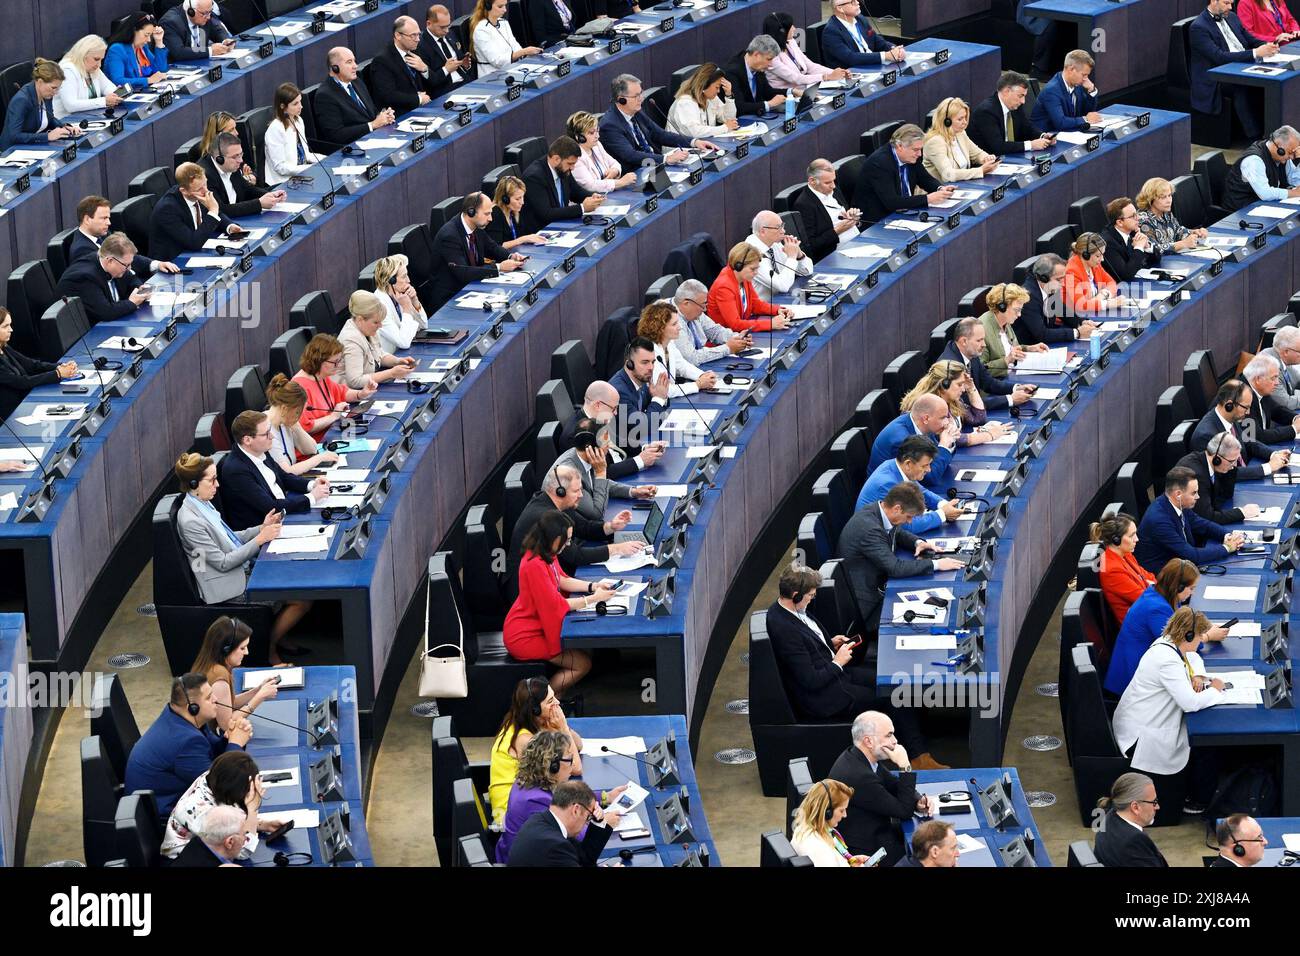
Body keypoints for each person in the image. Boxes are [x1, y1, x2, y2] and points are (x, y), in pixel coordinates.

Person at [765, 565, 934, 761]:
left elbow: (806, 648)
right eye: (810, 595)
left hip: (836, 676)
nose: (812, 598)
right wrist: (837, 662)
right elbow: (810, 680)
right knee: (893, 695)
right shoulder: (784, 628)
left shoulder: (793, 610)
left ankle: (917, 738)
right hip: (826, 696)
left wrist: (829, 643)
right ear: (795, 595)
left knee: (895, 681)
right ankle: (919, 757)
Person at [174, 452, 315, 663]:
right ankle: (270, 647)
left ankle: (278, 637)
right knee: (301, 600)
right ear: (194, 483)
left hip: (239, 569)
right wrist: (260, 540)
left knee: (294, 579)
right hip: (227, 586)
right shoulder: (191, 521)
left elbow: (230, 538)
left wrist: (262, 528)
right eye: (212, 480)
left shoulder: (203, 504)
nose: (218, 485)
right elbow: (223, 562)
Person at [1113, 607, 1223, 822]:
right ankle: (1198, 800)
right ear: (1189, 635)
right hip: (1143, 738)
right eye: (1200, 637)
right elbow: (1190, 703)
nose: (1201, 642)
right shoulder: (1167, 660)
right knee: (1208, 749)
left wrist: (1199, 676)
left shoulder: (1166, 643)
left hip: (1141, 722)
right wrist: (1215, 691)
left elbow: (1191, 656)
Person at [837, 483, 966, 634]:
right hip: (866, 604)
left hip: (876, 583)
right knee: (923, 626)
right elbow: (895, 568)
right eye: (909, 517)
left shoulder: (879, 509)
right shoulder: (869, 529)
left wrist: (917, 542)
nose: (910, 521)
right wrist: (936, 564)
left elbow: (896, 532)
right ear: (897, 508)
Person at [123, 673, 252, 816]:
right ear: (193, 708)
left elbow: (213, 751)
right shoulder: (186, 742)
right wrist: (236, 745)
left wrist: (230, 738)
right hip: (161, 821)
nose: (216, 699)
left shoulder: (180, 719)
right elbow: (222, 788)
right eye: (209, 697)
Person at [496, 731, 626, 863]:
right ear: (554, 765)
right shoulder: (536, 800)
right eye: (570, 760)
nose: (574, 765)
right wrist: (604, 822)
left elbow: (569, 797)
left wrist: (605, 797)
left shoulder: (529, 780)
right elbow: (576, 835)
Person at [505, 464, 638, 591]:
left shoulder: (558, 504)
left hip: (549, 577)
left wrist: (611, 526)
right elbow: (576, 556)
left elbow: (584, 527)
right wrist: (617, 549)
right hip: (526, 589)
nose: (581, 495)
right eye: (576, 490)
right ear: (560, 492)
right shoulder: (546, 517)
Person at [828, 711, 937, 864]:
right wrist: (905, 766)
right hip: (869, 852)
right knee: (930, 857)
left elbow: (893, 784)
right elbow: (903, 812)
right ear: (868, 741)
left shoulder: (859, 756)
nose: (895, 740)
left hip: (878, 833)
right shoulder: (859, 776)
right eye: (888, 735)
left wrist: (918, 800)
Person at [1107, 558, 1225, 696]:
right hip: (1132, 683)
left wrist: (1203, 627)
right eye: (1191, 588)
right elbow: (1181, 644)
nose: (1192, 593)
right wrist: (1208, 636)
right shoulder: (1156, 608)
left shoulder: (1161, 594)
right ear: (1178, 587)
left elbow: (1184, 625)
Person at [488, 676, 583, 822]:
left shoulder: (527, 721)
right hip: (510, 814)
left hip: (526, 800)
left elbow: (578, 745)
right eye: (551, 701)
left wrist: (561, 727)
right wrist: (562, 727)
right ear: (535, 709)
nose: (557, 703)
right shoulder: (524, 739)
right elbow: (574, 768)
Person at [217, 410, 331, 531]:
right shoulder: (236, 470)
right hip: (266, 530)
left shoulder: (259, 449)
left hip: (284, 513)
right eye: (266, 434)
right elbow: (270, 507)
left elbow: (283, 476)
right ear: (247, 440)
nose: (271, 436)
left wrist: (312, 485)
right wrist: (311, 498)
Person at [163, 751, 276, 861]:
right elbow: (241, 852)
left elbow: (230, 821)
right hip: (183, 860)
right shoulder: (201, 811)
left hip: (200, 850)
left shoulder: (213, 777)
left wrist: (261, 824)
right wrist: (252, 809)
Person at [1190, 0, 1278, 140]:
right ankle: (1254, 138)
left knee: (1269, 83)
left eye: (1231, 3)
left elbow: (1251, 40)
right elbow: (1219, 57)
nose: (1230, 7)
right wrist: (1256, 53)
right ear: (1213, 1)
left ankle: (1271, 129)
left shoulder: (1232, 17)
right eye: (1226, 3)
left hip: (1242, 67)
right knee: (1240, 87)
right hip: (1216, 79)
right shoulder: (1198, 27)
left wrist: (1268, 46)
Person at [1134, 467, 1243, 574]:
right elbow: (1191, 555)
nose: (1198, 497)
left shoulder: (1177, 504)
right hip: (1164, 578)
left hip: (1181, 566)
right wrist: (1227, 547)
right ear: (1178, 494)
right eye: (1193, 493)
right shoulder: (1159, 521)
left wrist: (1227, 535)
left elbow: (1203, 525)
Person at [429, 191, 526, 310]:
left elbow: (492, 247)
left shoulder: (476, 226)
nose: (490, 218)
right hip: (450, 299)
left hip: (470, 288)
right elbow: (463, 273)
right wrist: (499, 267)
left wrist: (510, 256)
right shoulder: (449, 236)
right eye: (487, 214)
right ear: (471, 212)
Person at [599, 74, 715, 172]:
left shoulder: (636, 111)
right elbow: (630, 155)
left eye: (641, 93)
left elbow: (659, 134)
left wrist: (694, 142)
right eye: (636, 96)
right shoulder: (610, 125)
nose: (642, 98)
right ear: (621, 100)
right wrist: (665, 159)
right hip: (636, 173)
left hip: (654, 167)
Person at [550, 417, 654, 522]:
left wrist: (633, 491)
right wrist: (601, 473)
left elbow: (600, 484)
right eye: (606, 443)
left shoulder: (583, 454)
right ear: (591, 447)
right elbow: (597, 514)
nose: (609, 447)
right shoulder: (569, 474)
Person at [1190, 378, 1298, 475]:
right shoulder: (1206, 435)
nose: (1248, 412)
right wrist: (1268, 467)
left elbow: (1248, 442)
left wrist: (1273, 454)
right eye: (1246, 407)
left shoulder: (1231, 418)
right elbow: (1226, 473)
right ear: (1229, 405)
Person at [188, 616, 278, 734]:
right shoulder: (219, 678)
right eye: (242, 648)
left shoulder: (208, 662)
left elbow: (229, 703)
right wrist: (259, 698)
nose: (247, 652)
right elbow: (226, 724)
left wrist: (257, 690)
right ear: (226, 649)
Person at [855, 435, 963, 533]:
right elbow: (908, 524)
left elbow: (921, 492)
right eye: (925, 465)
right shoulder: (887, 484)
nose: (929, 470)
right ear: (908, 464)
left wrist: (943, 505)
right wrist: (942, 514)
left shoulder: (897, 467)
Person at [561, 379, 666, 479]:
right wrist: (640, 460)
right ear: (598, 405)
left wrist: (645, 449)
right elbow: (597, 473)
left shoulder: (600, 419)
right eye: (614, 408)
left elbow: (617, 441)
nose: (615, 413)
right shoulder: (577, 436)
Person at [852, 124, 955, 224]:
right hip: (878, 220)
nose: (919, 154)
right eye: (916, 150)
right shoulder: (879, 164)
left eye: (920, 149)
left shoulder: (911, 157)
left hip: (905, 213)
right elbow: (892, 202)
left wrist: (940, 189)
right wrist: (928, 198)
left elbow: (925, 178)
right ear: (899, 146)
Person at [148, 162, 245, 264]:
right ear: (184, 191)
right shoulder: (167, 209)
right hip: (172, 263)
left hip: (193, 252)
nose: (206, 190)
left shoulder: (197, 193)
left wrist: (229, 226)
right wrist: (213, 211)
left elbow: (216, 212)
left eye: (205, 183)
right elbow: (194, 242)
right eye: (200, 188)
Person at [899, 360, 1008, 448]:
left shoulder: (951, 399)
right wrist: (990, 435)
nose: (963, 389)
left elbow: (978, 418)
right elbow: (955, 439)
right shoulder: (928, 406)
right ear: (944, 384)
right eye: (960, 384)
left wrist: (971, 387)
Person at [292, 332, 378, 440]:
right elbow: (305, 427)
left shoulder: (321, 376)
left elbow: (341, 393)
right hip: (317, 444)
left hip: (332, 434)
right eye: (335, 362)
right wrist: (333, 417)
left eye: (339, 361)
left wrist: (361, 394)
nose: (338, 366)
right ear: (318, 360)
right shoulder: (299, 388)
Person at [506, 780, 613, 866]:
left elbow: (584, 859)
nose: (586, 822)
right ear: (576, 810)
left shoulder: (540, 820)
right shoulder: (555, 846)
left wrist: (597, 822)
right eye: (588, 817)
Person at [867, 394, 958, 493]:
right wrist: (944, 445)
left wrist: (949, 442)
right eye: (943, 418)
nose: (947, 423)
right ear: (926, 418)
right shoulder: (901, 440)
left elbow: (936, 459)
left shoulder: (924, 426)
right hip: (888, 495)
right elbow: (929, 477)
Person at [0, 306, 78, 421]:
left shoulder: (4, 347)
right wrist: (57, 374)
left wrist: (61, 366)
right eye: (5, 326)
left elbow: (32, 365)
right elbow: (22, 382)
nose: (11, 329)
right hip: (10, 415)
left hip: (24, 403)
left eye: (10, 325)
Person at [55, 232, 151, 325]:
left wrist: (139, 288)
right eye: (127, 265)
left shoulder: (115, 265)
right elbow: (106, 312)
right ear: (110, 261)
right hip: (85, 332)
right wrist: (131, 303)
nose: (129, 268)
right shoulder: (85, 278)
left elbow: (131, 278)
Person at [68, 194, 177, 275]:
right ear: (87, 219)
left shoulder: (102, 234)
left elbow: (127, 257)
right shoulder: (82, 250)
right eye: (104, 218)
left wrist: (157, 264)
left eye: (109, 218)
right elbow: (109, 278)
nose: (109, 223)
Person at [941, 316, 1034, 410]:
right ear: (964, 341)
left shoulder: (970, 353)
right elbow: (966, 404)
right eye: (979, 340)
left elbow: (988, 382)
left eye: (983, 339)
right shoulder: (950, 367)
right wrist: (1010, 399)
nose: (984, 345)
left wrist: (1016, 388)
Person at [314, 47, 394, 150]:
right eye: (349, 62)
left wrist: (383, 116)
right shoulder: (325, 96)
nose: (355, 66)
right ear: (335, 68)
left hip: (375, 138)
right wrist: (372, 125)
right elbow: (335, 135)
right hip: (353, 148)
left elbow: (371, 112)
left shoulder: (356, 81)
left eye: (354, 61)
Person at [1176, 432, 1263, 526]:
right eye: (1232, 461)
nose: (1235, 465)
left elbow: (1227, 494)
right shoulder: (1197, 475)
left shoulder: (1214, 464)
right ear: (1216, 459)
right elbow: (1208, 517)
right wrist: (1242, 513)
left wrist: (1230, 467)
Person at [336, 290, 418, 388]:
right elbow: (355, 381)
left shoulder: (366, 328)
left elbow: (379, 355)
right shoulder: (350, 340)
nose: (380, 326)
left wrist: (398, 361)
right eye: (376, 322)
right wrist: (391, 373)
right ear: (360, 319)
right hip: (349, 396)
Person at [520, 136, 603, 232]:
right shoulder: (534, 177)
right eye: (570, 164)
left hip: (562, 224)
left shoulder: (562, 169)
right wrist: (582, 208)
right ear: (556, 159)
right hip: (541, 232)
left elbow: (575, 191)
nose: (573, 168)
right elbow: (546, 214)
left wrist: (592, 196)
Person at [1014, 253, 1099, 345]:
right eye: (1059, 280)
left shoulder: (1050, 287)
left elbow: (1060, 309)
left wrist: (1081, 322)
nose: (1063, 284)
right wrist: (1077, 333)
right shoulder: (1028, 297)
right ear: (1044, 278)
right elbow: (1042, 334)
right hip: (1030, 349)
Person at [707, 242, 792, 333]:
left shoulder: (743, 277)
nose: (756, 272)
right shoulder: (724, 287)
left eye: (757, 268)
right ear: (738, 266)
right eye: (752, 269)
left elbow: (754, 304)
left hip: (741, 334)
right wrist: (771, 324)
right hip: (724, 340)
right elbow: (735, 324)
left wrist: (778, 310)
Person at [635, 302, 717, 396]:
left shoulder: (668, 342)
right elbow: (663, 391)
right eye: (674, 324)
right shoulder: (648, 352)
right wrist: (697, 385)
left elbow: (681, 365)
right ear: (659, 328)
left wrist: (702, 375)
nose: (680, 327)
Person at [264, 374, 341, 474]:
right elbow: (286, 472)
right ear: (284, 409)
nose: (299, 417)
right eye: (297, 413)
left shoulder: (285, 421)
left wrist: (296, 426)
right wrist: (319, 458)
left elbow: (311, 449)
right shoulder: (266, 430)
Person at [200, 132, 286, 219]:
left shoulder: (232, 166)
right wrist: (259, 204)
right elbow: (220, 210)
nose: (240, 160)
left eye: (241, 154)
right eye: (235, 157)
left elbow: (246, 189)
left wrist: (270, 195)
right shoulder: (205, 175)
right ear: (219, 159)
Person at [967, 70, 1052, 156]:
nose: (1023, 101)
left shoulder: (1015, 106)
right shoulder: (986, 112)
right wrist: (1031, 145)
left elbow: (1026, 128)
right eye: (1020, 96)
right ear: (1006, 92)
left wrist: (1042, 136)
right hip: (989, 162)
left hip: (1012, 157)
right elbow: (998, 147)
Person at [1092, 772, 1168, 867]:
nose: (1157, 807)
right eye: (1154, 802)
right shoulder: (1134, 841)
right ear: (1135, 807)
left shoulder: (1109, 817)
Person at [789, 779, 872, 866]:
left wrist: (850, 863)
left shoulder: (802, 830)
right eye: (841, 810)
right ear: (827, 812)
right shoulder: (819, 849)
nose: (845, 815)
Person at [1090, 512, 1154, 624]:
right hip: (1139, 626)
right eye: (1131, 536)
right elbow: (1145, 599)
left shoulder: (1126, 554)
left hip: (1148, 613)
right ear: (1116, 540)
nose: (1137, 539)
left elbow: (1149, 577)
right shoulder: (1112, 570)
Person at [0, 60, 78, 150]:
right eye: (53, 88)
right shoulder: (21, 100)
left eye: (58, 88)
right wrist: (47, 136)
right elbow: (14, 136)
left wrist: (63, 126)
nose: (55, 93)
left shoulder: (46, 94)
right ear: (40, 82)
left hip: (31, 145)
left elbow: (50, 118)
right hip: (12, 150)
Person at [670, 279, 750, 367]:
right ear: (686, 303)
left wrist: (738, 338)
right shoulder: (670, 319)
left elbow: (715, 331)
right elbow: (692, 358)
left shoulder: (693, 309)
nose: (705, 309)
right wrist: (728, 348)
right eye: (702, 305)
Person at [793, 158, 861, 261]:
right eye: (827, 182)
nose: (833, 186)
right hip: (835, 253)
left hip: (857, 241)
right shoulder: (804, 205)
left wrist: (854, 218)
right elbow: (811, 246)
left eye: (834, 180)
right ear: (812, 181)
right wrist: (837, 231)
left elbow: (848, 217)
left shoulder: (834, 189)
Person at [761, 12, 849, 90]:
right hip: (788, 97)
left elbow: (810, 66)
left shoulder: (790, 42)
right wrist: (827, 77)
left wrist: (837, 73)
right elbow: (796, 78)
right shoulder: (770, 57)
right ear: (782, 31)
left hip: (805, 88)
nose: (795, 29)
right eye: (791, 27)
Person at [610, 336, 671, 449]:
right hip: (626, 449)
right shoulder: (619, 392)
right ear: (629, 364)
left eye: (652, 362)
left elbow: (656, 413)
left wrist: (660, 397)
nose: (651, 367)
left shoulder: (639, 379)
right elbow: (641, 428)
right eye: (645, 362)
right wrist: (658, 399)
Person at [369, 16, 438, 115]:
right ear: (398, 35)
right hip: (402, 112)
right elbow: (389, 95)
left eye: (418, 34)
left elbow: (434, 81)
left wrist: (424, 69)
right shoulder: (382, 61)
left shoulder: (415, 50)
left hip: (425, 105)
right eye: (413, 35)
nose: (417, 39)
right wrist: (418, 98)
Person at [1222, 125, 1300, 210]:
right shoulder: (1254, 160)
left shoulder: (1283, 156)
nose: (1292, 157)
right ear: (1278, 147)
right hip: (1240, 210)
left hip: (1261, 205)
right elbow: (1265, 193)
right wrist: (1293, 193)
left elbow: (1294, 181)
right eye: (1290, 153)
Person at [922, 96, 998, 183]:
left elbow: (977, 153)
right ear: (947, 121)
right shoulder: (935, 142)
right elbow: (948, 175)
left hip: (961, 185)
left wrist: (987, 158)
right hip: (939, 191)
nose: (965, 122)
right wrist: (980, 171)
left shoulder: (960, 133)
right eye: (960, 119)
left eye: (965, 118)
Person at [978, 282, 1047, 377]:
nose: (1019, 315)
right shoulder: (982, 329)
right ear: (1002, 307)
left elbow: (1012, 350)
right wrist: (1007, 360)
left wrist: (1029, 348)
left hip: (1011, 375)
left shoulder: (1005, 321)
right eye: (1016, 310)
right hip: (995, 386)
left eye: (1020, 310)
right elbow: (979, 371)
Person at [264, 83, 323, 187]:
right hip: (283, 182)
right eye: (295, 104)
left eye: (300, 101)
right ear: (283, 106)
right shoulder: (275, 129)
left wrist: (326, 160)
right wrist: (308, 168)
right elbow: (280, 167)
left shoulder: (298, 120)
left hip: (302, 175)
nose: (301, 106)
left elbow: (306, 154)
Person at [1029, 49, 1101, 133]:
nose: (1086, 79)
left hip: (1068, 133)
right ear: (1071, 69)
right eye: (1084, 75)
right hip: (1046, 137)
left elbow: (1087, 113)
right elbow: (1061, 122)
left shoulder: (1077, 84)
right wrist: (1086, 119)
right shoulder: (1051, 90)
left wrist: (1091, 90)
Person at [54, 35, 125, 120]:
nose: (99, 65)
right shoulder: (67, 69)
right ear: (83, 55)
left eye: (101, 60)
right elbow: (71, 105)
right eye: (96, 59)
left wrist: (116, 94)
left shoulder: (92, 67)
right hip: (66, 122)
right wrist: (104, 101)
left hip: (89, 118)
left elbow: (106, 86)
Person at [565, 111, 637, 193]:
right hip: (589, 200)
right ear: (579, 137)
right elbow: (590, 185)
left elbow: (614, 163)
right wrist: (621, 182)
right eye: (592, 133)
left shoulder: (597, 145)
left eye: (597, 131)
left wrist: (615, 171)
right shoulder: (575, 157)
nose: (597, 136)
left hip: (607, 195)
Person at [745, 210, 812, 299]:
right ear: (762, 231)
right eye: (778, 228)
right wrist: (791, 257)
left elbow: (806, 272)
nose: (783, 231)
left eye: (782, 226)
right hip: (761, 307)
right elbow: (782, 286)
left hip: (780, 300)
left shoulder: (774, 243)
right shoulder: (751, 252)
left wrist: (798, 254)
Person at [820, 0, 905, 69]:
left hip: (871, 65)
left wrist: (894, 49)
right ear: (839, 8)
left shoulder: (860, 19)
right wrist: (886, 56)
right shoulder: (831, 32)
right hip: (852, 73)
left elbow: (877, 40)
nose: (857, 2)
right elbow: (850, 58)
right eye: (852, 2)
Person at [1135, 177, 1209, 255]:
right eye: (1163, 197)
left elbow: (1177, 231)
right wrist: (1183, 244)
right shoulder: (1143, 221)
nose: (1169, 200)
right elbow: (1153, 249)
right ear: (1150, 199)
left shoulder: (1166, 213)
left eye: (1169, 195)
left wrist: (1194, 232)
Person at [372, 254, 429, 353]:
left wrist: (414, 300)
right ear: (391, 281)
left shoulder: (399, 295)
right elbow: (404, 343)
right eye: (404, 276)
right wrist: (406, 309)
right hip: (387, 362)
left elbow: (423, 326)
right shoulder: (378, 306)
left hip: (400, 355)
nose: (408, 280)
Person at [665, 63, 739, 139]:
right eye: (717, 87)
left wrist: (729, 95)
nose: (719, 91)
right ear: (704, 84)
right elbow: (694, 132)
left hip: (704, 144)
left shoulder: (710, 97)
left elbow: (728, 119)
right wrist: (724, 128)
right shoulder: (685, 102)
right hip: (681, 148)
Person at [470, 0, 542, 78]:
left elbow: (515, 46)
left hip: (512, 70)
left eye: (505, 5)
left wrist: (525, 53)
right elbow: (497, 61)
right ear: (488, 6)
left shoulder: (504, 23)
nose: (505, 10)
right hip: (492, 76)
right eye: (500, 6)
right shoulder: (481, 30)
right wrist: (524, 52)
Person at [416, 4, 477, 96]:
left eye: (448, 26)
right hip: (445, 91)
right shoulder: (421, 45)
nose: (446, 30)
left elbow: (460, 60)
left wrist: (465, 64)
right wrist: (446, 69)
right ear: (429, 24)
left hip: (466, 82)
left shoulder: (450, 33)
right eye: (442, 27)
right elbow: (428, 81)